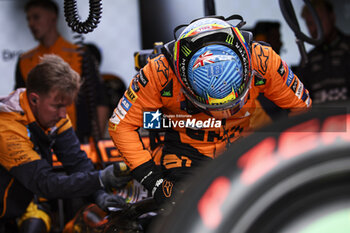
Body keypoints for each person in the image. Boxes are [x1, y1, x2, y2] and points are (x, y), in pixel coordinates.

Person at [108, 16, 311, 206]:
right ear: (184, 84)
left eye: (231, 105)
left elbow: (302, 108)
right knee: (181, 211)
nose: (223, 113)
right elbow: (120, 125)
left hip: (244, 151)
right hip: (186, 157)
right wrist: (153, 180)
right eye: (211, 108)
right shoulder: (159, 72)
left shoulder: (262, 59)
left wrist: (285, 156)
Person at [0, 55, 128, 233]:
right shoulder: (7, 127)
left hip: (16, 203)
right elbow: (45, 184)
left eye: (66, 106)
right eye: (57, 106)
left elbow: (76, 162)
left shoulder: (54, 115)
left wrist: (100, 196)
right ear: (34, 99)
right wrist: (100, 178)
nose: (63, 114)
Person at [14, 0, 109, 143]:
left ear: (53, 17)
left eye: (36, 17)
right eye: (28, 19)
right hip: (40, 144)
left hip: (79, 140)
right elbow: (18, 105)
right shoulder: (24, 60)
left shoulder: (80, 54)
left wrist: (96, 142)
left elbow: (100, 100)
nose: (31, 24)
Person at [296, 0, 350, 104]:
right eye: (310, 23)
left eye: (319, 20)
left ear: (332, 17)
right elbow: (298, 101)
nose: (316, 27)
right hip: (319, 118)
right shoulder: (307, 60)